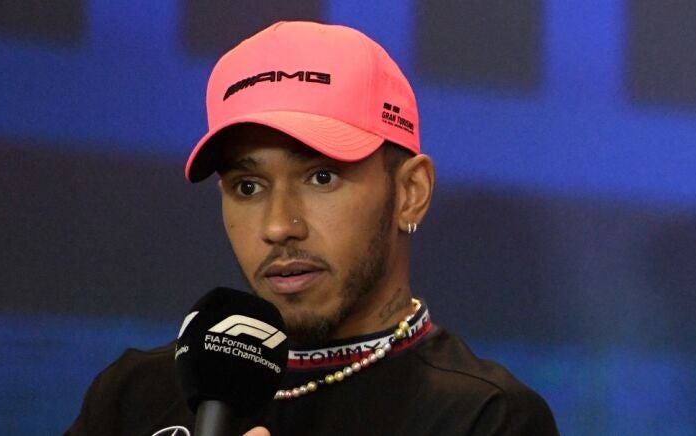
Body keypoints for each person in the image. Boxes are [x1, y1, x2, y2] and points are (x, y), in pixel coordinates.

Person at [67, 21, 559, 436]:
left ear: (411, 192)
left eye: (321, 177)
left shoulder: (485, 418)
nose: (278, 225)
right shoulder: (132, 396)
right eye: (247, 186)